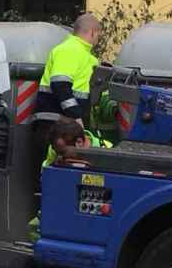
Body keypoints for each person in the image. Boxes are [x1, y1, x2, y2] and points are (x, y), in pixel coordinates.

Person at [28, 117, 111, 242]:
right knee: (34, 228)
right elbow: (47, 177)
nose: (59, 155)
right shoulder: (55, 149)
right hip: (63, 202)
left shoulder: (107, 151)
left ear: (79, 142)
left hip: (94, 210)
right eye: (57, 152)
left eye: (63, 152)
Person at [32, 13, 102, 155]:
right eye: (99, 35)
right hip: (57, 125)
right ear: (93, 32)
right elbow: (60, 85)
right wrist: (76, 116)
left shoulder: (84, 55)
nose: (98, 40)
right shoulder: (70, 50)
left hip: (64, 126)